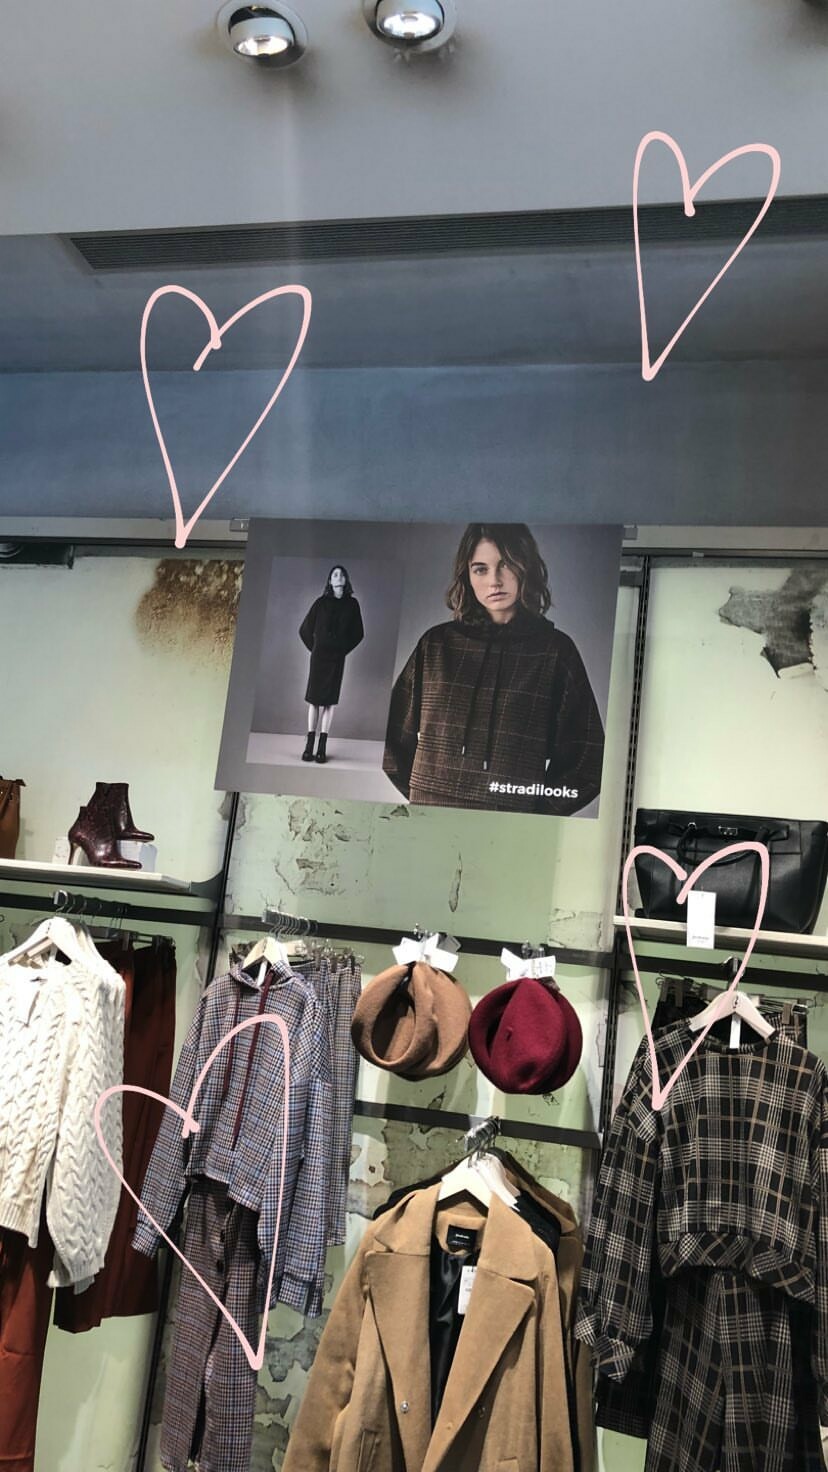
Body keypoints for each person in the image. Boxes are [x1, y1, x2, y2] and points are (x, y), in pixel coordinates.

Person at [383, 524, 604, 814]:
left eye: (506, 565)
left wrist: (537, 814)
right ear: (467, 576)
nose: (494, 581)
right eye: (480, 569)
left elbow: (588, 760)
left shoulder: (556, 651)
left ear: (525, 567)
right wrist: (421, 791)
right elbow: (389, 738)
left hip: (511, 818)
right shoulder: (436, 644)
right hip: (431, 809)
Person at [299, 566, 364, 764]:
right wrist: (315, 648)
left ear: (346, 580)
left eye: (342, 574)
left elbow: (358, 633)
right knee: (314, 700)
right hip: (319, 658)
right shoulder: (320, 603)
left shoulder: (352, 604)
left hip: (337, 659)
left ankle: (322, 747)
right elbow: (304, 630)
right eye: (335, 574)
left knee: (329, 701)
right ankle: (309, 745)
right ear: (330, 580)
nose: (339, 577)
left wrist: (342, 649)